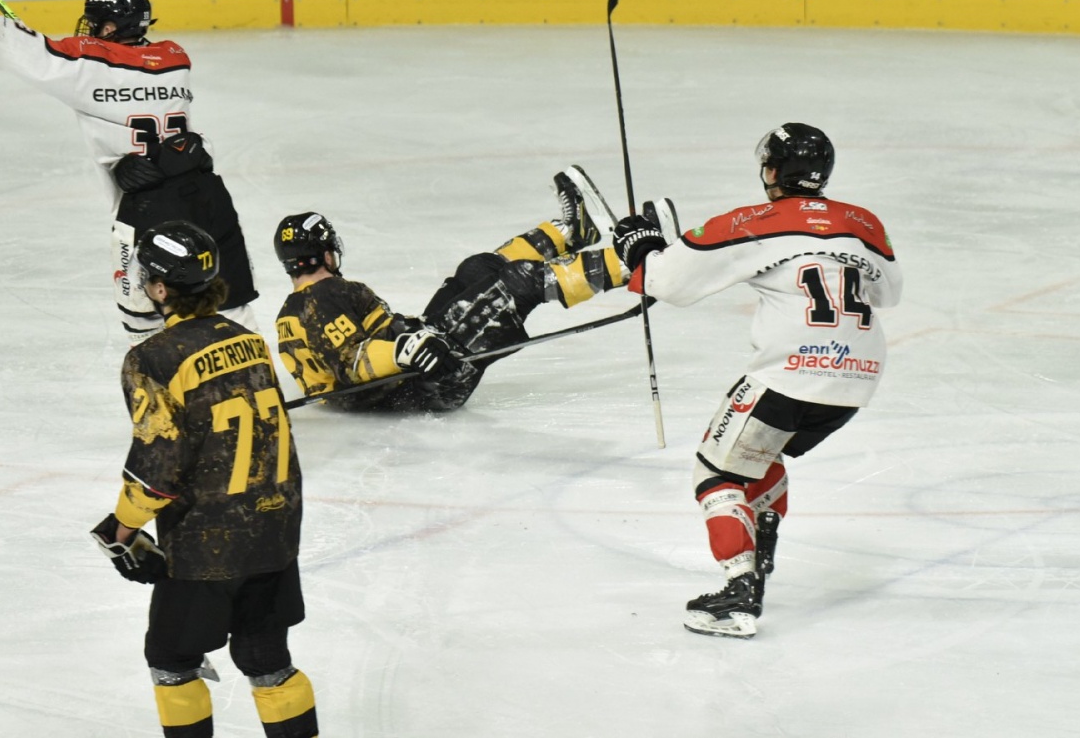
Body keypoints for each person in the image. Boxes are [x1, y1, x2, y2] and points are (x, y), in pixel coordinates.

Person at [610, 123, 903, 639]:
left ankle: (739, 592)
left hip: (791, 373)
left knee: (715, 473)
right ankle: (761, 536)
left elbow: (663, 283)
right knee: (761, 456)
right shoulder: (865, 224)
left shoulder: (750, 222)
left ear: (771, 171)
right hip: (858, 379)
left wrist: (641, 247)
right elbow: (888, 294)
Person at [0, 0, 258, 340]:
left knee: (144, 319)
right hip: (208, 195)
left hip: (149, 208)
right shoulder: (175, 58)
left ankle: (162, 387)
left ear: (109, 25)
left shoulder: (86, 65)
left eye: (94, 22)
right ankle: (256, 378)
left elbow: (21, 52)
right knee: (230, 298)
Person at [89, 221, 318, 738]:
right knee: (267, 659)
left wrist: (123, 530)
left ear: (163, 290)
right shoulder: (249, 342)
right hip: (275, 531)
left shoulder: (152, 358)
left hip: (207, 543)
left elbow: (158, 464)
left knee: (171, 658)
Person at [274, 168, 660, 412]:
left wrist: (409, 345)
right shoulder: (325, 298)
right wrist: (405, 352)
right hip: (432, 379)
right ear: (325, 253)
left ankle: (572, 232)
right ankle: (636, 263)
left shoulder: (292, 312)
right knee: (518, 284)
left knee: (477, 269)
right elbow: (353, 363)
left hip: (420, 361)